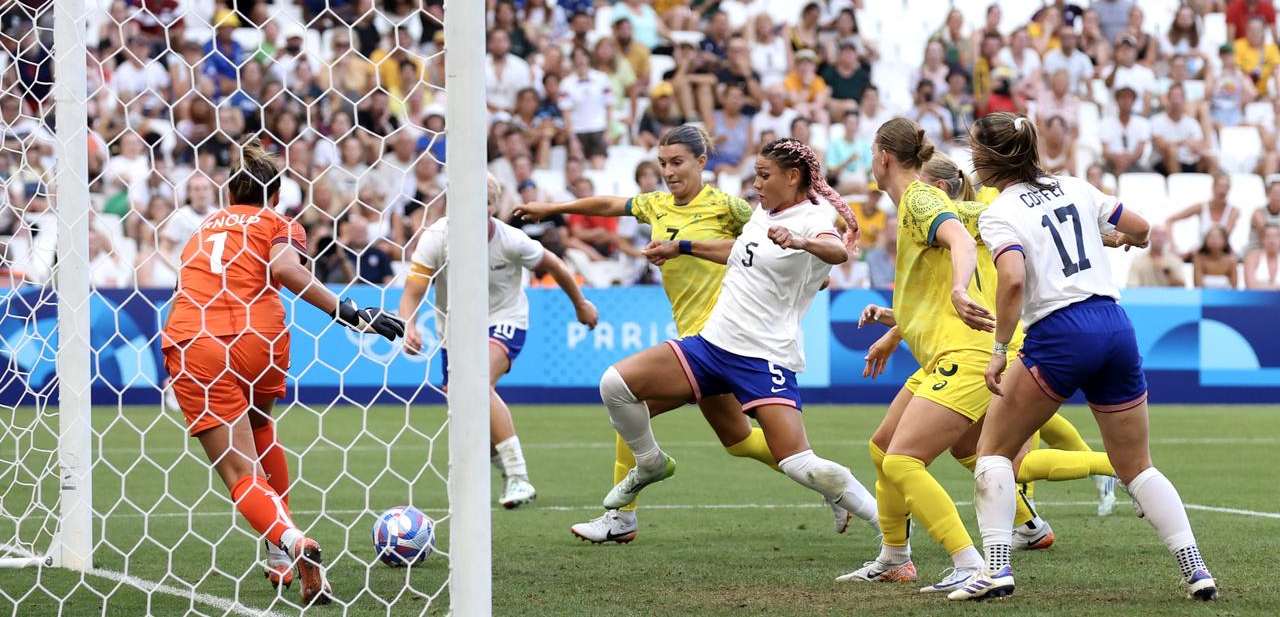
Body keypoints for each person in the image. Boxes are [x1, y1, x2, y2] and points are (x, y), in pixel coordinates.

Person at [514, 127, 865, 543]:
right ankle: (833, 487)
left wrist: (810, 271)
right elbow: (610, 204)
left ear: (702, 162)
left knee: (633, 402)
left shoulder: (731, 206)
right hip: (701, 339)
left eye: (678, 162)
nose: (669, 172)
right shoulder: (656, 204)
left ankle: (622, 519)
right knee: (737, 440)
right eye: (662, 163)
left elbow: (766, 241)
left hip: (724, 336)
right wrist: (552, 207)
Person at [950, 113, 1217, 602]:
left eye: (974, 151)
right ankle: (1196, 569)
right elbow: (1141, 228)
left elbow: (1011, 279)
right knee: (1136, 464)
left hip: (1060, 333)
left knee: (993, 450)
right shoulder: (1076, 185)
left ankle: (995, 570)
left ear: (989, 159)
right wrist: (1121, 240)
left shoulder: (999, 210)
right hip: (1114, 326)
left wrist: (998, 349)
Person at [837, 125, 1114, 591]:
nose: (870, 161)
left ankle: (970, 562)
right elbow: (992, 229)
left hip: (968, 352)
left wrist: (960, 288)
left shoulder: (919, 199)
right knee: (887, 450)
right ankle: (895, 557)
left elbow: (962, 244)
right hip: (953, 352)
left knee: (907, 461)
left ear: (884, 157)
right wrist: (892, 325)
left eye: (871, 153)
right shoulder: (952, 205)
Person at [161, 139, 404, 606]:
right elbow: (284, 269)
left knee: (238, 470)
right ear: (275, 195)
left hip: (198, 341)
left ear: (230, 194)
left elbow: (191, 287)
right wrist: (351, 311)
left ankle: (290, 541)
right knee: (259, 426)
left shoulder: (203, 228)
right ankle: (278, 555)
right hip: (260, 339)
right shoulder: (280, 222)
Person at [401, 174, 598, 509]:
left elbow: (556, 266)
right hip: (456, 330)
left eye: (482, 205)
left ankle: (519, 474)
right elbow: (413, 291)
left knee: (476, 384)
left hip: (505, 319)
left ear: (493, 207)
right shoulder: (437, 238)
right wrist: (408, 325)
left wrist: (581, 303)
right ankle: (509, 475)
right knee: (467, 408)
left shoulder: (511, 240)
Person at [1151, 83, 1216, 174]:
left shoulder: (1192, 123)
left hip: (1189, 161)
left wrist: (1191, 146)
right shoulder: (1157, 120)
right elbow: (1161, 145)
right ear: (1167, 99)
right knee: (1172, 151)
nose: (1176, 100)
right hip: (1164, 163)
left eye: (1179, 96)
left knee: (1211, 159)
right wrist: (1183, 142)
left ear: (1184, 100)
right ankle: (1177, 183)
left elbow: (1200, 145)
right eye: (1173, 96)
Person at [1167, 171, 1240, 245]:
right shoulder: (1201, 207)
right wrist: (1172, 245)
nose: (1222, 191)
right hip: (1202, 253)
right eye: (1220, 187)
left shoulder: (1233, 211)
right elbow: (1170, 220)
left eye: (1225, 187)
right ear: (1213, 187)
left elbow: (1224, 238)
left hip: (1222, 254)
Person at [1244, 224, 1280, 289]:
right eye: (1268, 236)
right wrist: (1276, 287)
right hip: (1258, 298)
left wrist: (1261, 285)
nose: (1272, 241)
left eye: (1276, 236)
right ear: (1262, 239)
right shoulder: (1252, 257)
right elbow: (1250, 286)